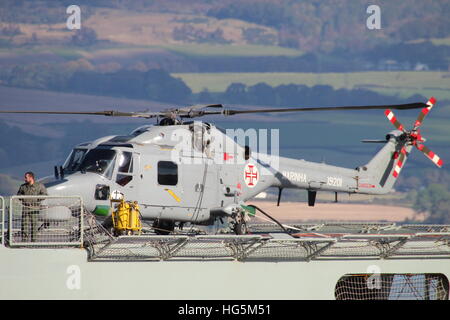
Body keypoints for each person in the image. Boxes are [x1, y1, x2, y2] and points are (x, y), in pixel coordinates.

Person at [17, 172, 47, 242]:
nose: (24, 179)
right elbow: (18, 195)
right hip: (26, 208)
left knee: (34, 225)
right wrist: (23, 198)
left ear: (31, 177)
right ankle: (24, 241)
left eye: (26, 177)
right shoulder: (23, 187)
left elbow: (44, 194)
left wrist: (36, 199)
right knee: (25, 226)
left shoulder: (39, 186)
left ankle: (34, 241)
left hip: (35, 208)